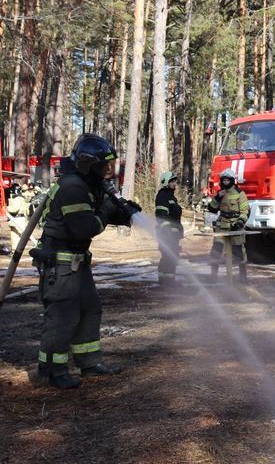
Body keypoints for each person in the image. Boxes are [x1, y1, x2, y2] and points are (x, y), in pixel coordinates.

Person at [32, 134, 141, 389]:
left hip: (77, 264)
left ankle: (89, 363)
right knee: (62, 316)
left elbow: (99, 211)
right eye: (104, 165)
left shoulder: (87, 184)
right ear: (87, 163)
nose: (108, 171)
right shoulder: (72, 187)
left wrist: (125, 213)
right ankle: (52, 370)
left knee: (90, 310)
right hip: (60, 265)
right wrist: (108, 211)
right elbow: (85, 227)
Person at [207, 168, 250, 282]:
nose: (225, 182)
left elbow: (245, 211)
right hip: (222, 225)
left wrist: (239, 223)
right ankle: (213, 276)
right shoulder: (220, 193)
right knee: (216, 249)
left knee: (239, 251)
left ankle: (242, 275)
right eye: (223, 180)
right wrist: (217, 197)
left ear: (232, 180)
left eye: (227, 180)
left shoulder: (240, 194)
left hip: (236, 225)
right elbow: (212, 209)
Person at [154, 171, 184, 286]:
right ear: (166, 182)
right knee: (169, 256)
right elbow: (161, 215)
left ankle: (167, 280)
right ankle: (167, 281)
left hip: (172, 234)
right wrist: (168, 232)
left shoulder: (170, 196)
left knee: (171, 256)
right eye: (172, 181)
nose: (174, 183)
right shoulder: (163, 196)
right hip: (166, 234)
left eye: (174, 181)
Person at [7, 182, 36, 252]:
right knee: (19, 236)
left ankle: (15, 251)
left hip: (17, 219)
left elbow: (14, 209)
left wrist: (7, 208)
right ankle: (18, 250)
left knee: (15, 236)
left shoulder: (17, 199)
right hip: (22, 219)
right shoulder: (22, 198)